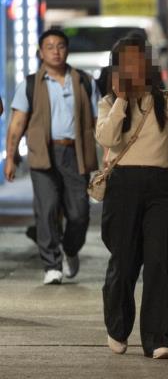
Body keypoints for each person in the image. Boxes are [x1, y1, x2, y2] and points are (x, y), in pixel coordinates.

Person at [96, 36, 168, 359]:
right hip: (123, 188)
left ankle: (158, 337)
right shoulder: (107, 103)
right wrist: (120, 100)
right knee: (124, 260)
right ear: (117, 67)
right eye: (127, 61)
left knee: (162, 260)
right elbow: (106, 136)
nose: (134, 66)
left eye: (139, 59)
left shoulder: (164, 99)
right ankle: (118, 327)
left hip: (161, 186)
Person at [4, 29, 100, 285]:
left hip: (75, 153)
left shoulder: (84, 81)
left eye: (60, 46)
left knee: (79, 213)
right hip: (42, 153)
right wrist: (10, 158)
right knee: (45, 209)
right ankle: (51, 265)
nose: (55, 51)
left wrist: (109, 156)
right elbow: (16, 124)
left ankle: (70, 248)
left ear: (67, 50)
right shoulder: (31, 84)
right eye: (50, 47)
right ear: (40, 52)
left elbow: (98, 121)